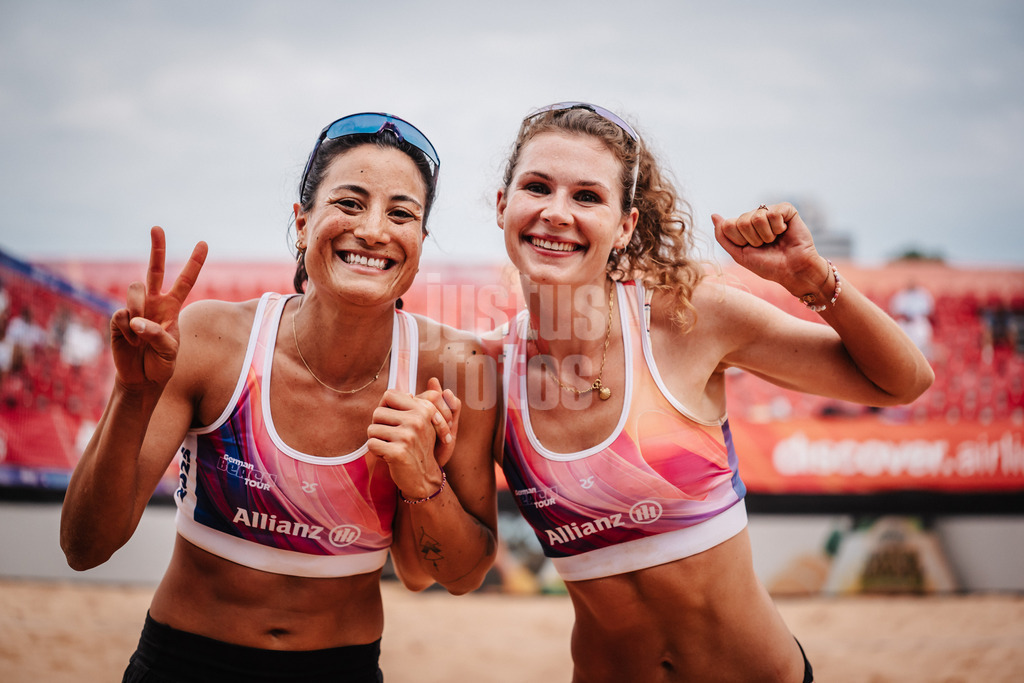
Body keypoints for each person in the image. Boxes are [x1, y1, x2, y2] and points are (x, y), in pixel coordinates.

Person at [492, 102, 934, 682]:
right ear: (504, 205)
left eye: (587, 197)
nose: (555, 213)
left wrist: (811, 278)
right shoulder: (485, 373)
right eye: (537, 187)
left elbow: (903, 382)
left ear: (625, 226)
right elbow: (444, 565)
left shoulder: (687, 319)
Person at [60, 112, 498, 683]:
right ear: (301, 220)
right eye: (349, 202)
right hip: (183, 661)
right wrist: (132, 394)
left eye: (402, 213)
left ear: (420, 239)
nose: (373, 230)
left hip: (343, 667)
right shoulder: (214, 340)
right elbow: (85, 545)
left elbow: (450, 576)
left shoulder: (453, 370)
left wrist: (423, 484)